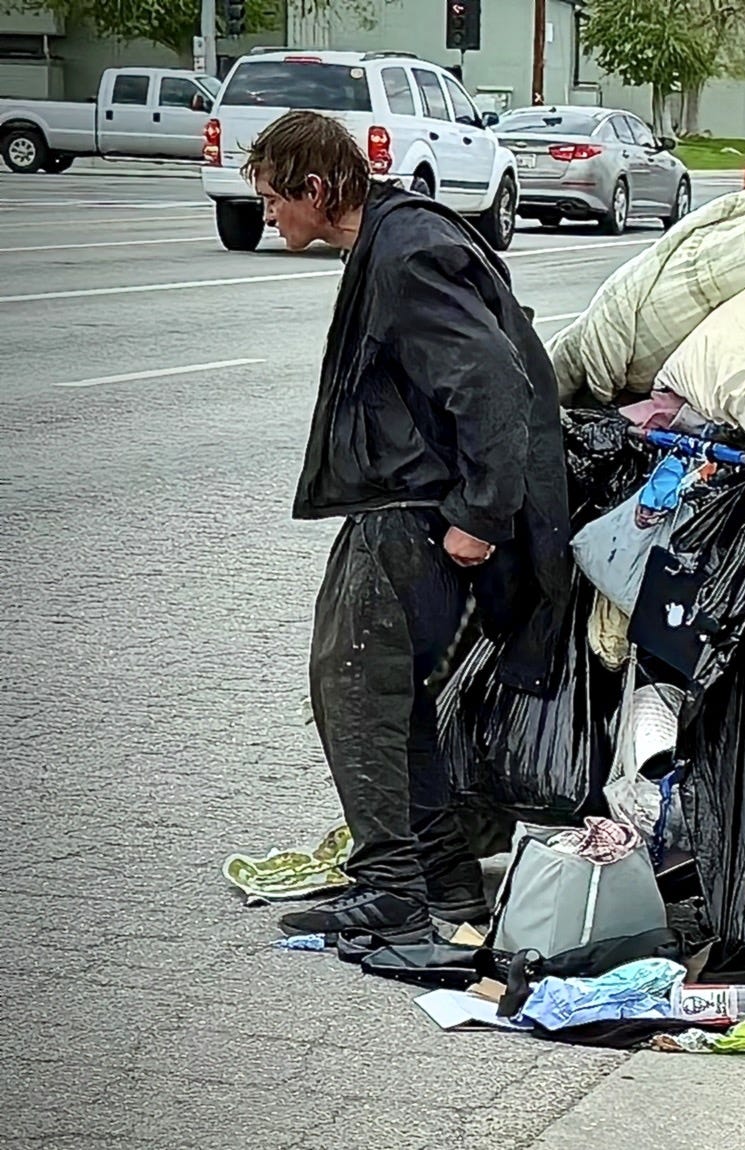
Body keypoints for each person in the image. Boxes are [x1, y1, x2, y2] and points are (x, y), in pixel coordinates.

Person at [244, 111, 571, 941]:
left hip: (420, 515)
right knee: (392, 694)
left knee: (356, 688)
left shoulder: (406, 253)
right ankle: (444, 882)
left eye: (275, 199)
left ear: (317, 188)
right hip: (408, 506)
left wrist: (480, 514)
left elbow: (492, 381)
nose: (269, 215)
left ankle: (392, 884)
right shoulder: (393, 240)